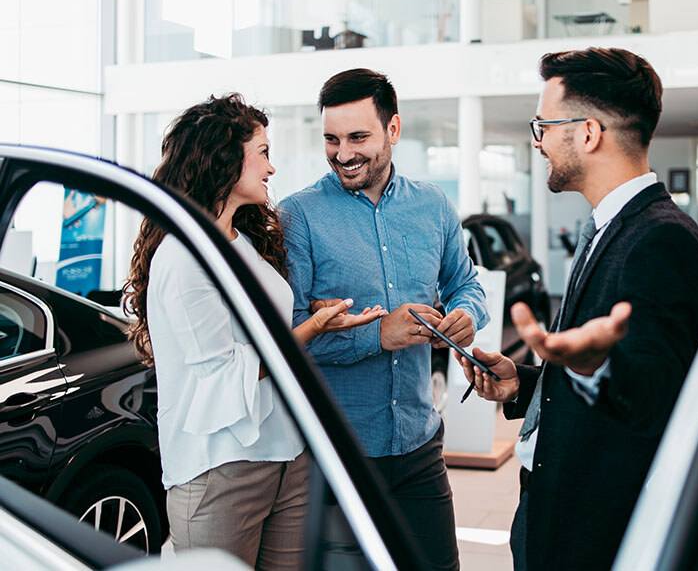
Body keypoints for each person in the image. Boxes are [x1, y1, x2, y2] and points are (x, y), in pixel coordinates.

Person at [455, 47, 698, 570]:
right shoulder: (612, 226)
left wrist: (597, 368)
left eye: (543, 126)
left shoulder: (661, 241)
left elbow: (656, 402)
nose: (539, 142)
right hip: (555, 517)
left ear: (589, 133)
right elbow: (590, 376)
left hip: (595, 537)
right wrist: (523, 383)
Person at [123, 93, 386, 570]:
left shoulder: (240, 241)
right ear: (226, 158)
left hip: (287, 454)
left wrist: (314, 315)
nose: (272, 167)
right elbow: (226, 373)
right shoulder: (183, 259)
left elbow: (264, 328)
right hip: (220, 468)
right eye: (263, 152)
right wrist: (311, 329)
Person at [278, 69, 489, 571]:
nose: (343, 153)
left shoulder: (433, 205)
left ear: (393, 130)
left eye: (358, 137)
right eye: (331, 138)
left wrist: (466, 313)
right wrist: (379, 334)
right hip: (336, 456)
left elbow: (467, 283)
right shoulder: (298, 216)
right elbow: (286, 339)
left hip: (419, 445)